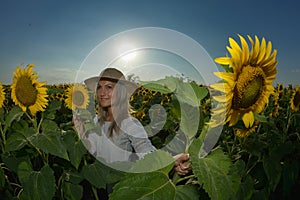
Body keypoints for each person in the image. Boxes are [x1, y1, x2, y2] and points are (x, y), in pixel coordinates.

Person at [75, 67, 191, 176]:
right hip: (99, 181)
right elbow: (94, 150)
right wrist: (81, 133)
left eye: (109, 87)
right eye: (99, 87)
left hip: (118, 181)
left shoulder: (128, 123)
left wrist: (172, 161)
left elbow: (146, 154)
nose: (102, 92)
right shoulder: (95, 120)